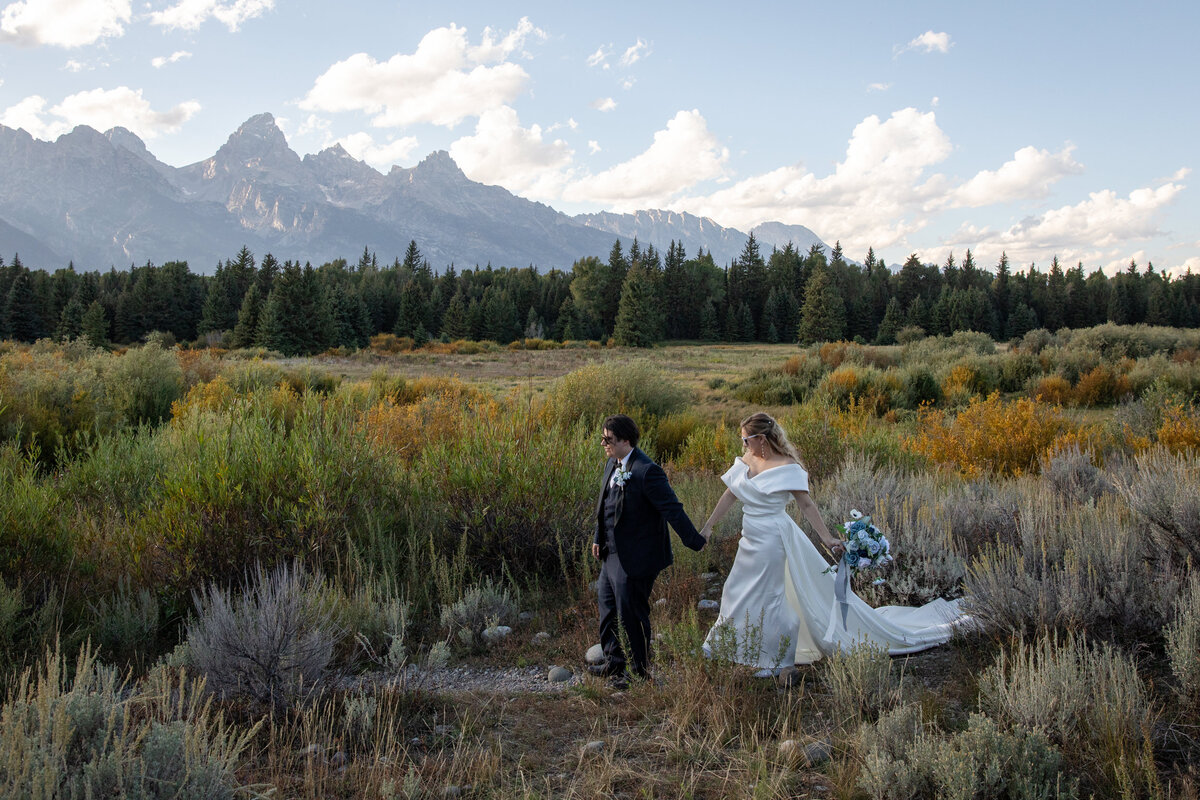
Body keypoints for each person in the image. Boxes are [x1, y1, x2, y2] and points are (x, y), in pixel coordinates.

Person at [700, 412, 966, 676]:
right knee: (735, 587)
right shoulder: (747, 459)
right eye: (743, 440)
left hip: (773, 537)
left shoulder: (787, 466)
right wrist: (709, 526)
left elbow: (806, 504)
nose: (743, 445)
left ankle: (778, 659)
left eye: (747, 440)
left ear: (763, 439)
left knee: (770, 595)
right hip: (750, 535)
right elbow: (730, 494)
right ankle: (723, 644)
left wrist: (826, 537)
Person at [592, 414, 707, 687]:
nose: (603, 444)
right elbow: (603, 505)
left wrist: (695, 540)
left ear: (626, 440)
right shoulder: (613, 463)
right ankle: (614, 663)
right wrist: (599, 537)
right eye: (602, 439)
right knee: (608, 609)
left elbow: (672, 509)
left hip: (636, 557)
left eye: (608, 440)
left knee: (632, 614)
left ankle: (638, 673)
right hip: (611, 553)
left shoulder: (647, 471)